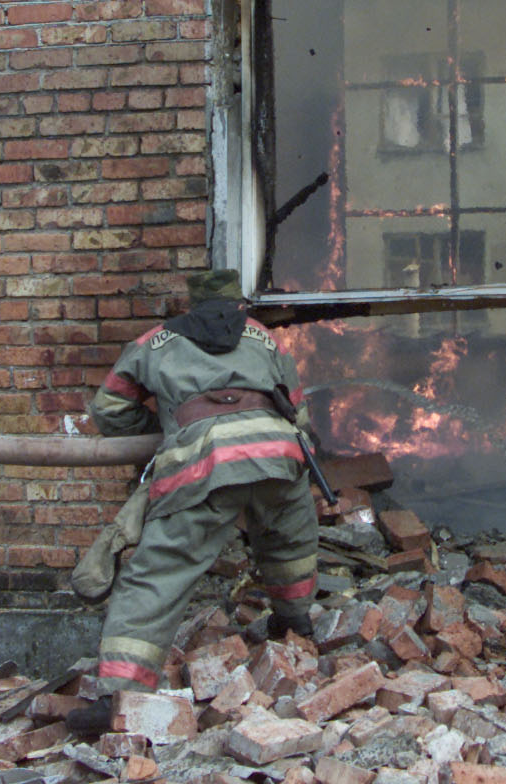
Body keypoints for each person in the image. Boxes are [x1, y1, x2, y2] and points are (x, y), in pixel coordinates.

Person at [70, 269, 320, 735]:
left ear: (192, 304)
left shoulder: (154, 343)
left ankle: (120, 696)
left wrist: (162, 433)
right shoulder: (265, 338)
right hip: (277, 453)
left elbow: (108, 409)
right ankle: (295, 622)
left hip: (202, 463)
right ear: (238, 303)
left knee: (158, 574)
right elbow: (298, 411)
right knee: (289, 539)